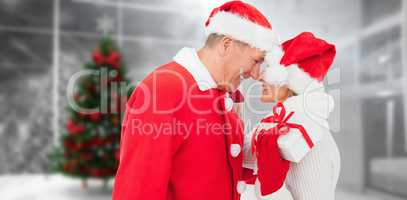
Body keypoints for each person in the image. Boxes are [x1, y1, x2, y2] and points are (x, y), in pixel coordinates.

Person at [112, 1, 280, 200]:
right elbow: (138, 190)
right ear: (226, 45)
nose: (256, 74)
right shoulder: (164, 90)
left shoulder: (223, 94)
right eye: (256, 61)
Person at [250, 32, 341, 200]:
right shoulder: (274, 126)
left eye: (269, 70)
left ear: (290, 81)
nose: (261, 77)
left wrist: (272, 187)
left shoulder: (311, 143)